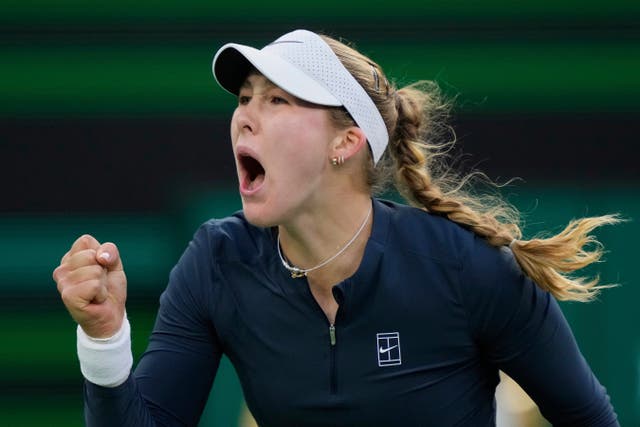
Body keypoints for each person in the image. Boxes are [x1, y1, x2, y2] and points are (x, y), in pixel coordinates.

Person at [52, 29, 620, 426]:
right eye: (245, 98)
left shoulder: (465, 267)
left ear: (345, 143)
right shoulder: (216, 262)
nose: (245, 114)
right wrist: (105, 337)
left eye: (276, 100)